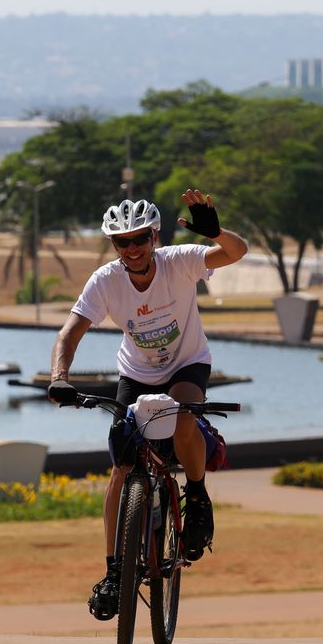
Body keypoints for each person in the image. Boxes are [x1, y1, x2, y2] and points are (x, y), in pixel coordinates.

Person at [47, 189, 248, 621]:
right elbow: (70, 333)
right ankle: (115, 570)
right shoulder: (105, 281)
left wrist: (216, 232)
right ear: (114, 246)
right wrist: (59, 378)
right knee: (121, 469)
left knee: (182, 419)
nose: (132, 248)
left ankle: (196, 497)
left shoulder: (179, 261)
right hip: (135, 374)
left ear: (154, 236)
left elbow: (236, 252)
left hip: (187, 366)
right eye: (123, 242)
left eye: (140, 238)